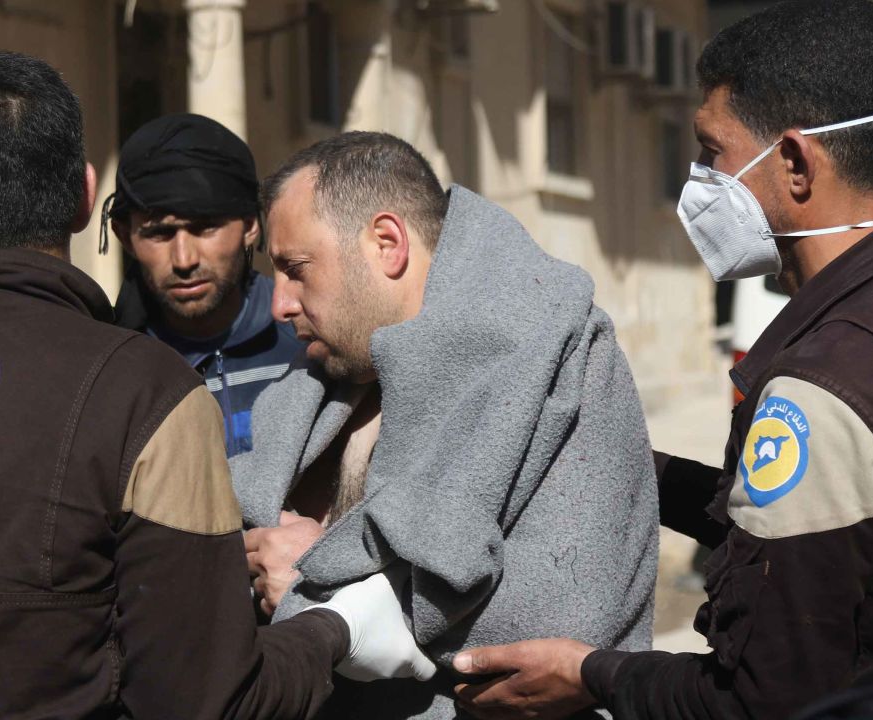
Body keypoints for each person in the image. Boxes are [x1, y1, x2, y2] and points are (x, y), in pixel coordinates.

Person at [0, 50, 432, 719]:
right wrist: (338, 630)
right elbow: (204, 701)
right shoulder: (144, 390)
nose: (183, 256)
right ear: (87, 199)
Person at [451, 2, 873, 718]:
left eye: (711, 152)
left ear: (793, 163)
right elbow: (824, 534)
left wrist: (590, 674)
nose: (698, 180)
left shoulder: (829, 383)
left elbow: (760, 702)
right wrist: (621, 463)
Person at [234, 131, 659, 719]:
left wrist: (316, 589)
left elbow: (555, 629)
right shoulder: (329, 379)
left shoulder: (560, 355)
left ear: (387, 243)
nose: (279, 303)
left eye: (296, 268)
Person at [103, 114, 303, 456]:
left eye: (205, 228)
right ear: (125, 236)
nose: (184, 260)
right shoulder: (109, 372)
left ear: (251, 225)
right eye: (159, 233)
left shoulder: (306, 341)